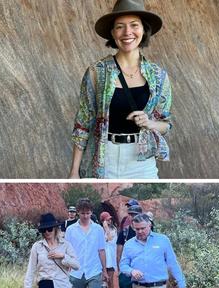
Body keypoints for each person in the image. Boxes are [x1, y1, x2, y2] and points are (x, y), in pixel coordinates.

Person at [68, 0, 173, 179]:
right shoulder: (96, 72)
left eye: (134, 25)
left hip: (141, 162)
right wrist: (74, 172)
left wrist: (149, 122)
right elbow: (83, 124)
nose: (127, 32)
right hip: (104, 158)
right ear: (112, 32)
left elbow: (165, 124)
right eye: (120, 27)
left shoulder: (158, 76)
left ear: (143, 30)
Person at [117, 204, 143, 288]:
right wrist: (120, 268)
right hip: (128, 270)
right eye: (131, 214)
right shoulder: (125, 231)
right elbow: (119, 249)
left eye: (135, 214)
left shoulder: (146, 229)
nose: (132, 217)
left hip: (143, 270)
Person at [99, 211, 117, 288]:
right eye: (107, 219)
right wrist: (104, 228)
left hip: (111, 259)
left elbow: (110, 239)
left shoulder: (113, 230)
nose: (110, 220)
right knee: (102, 282)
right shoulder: (98, 231)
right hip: (101, 260)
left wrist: (106, 228)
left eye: (110, 219)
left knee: (110, 280)